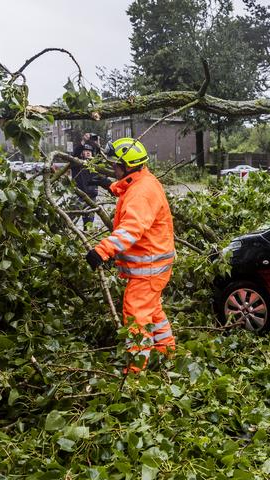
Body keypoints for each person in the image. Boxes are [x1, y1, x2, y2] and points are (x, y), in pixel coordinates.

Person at [84, 137, 177, 373]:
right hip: (155, 263)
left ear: (126, 166)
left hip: (148, 267)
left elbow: (131, 229)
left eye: (115, 165)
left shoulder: (141, 193)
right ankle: (167, 351)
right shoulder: (142, 181)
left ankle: (136, 371)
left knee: (136, 316)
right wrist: (110, 184)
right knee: (152, 310)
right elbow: (130, 189)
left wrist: (101, 251)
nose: (113, 167)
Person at [70, 142, 110, 227]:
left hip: (91, 198)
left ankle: (87, 236)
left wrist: (97, 145)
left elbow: (102, 160)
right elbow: (75, 154)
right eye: (85, 150)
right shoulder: (77, 164)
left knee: (89, 224)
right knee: (70, 220)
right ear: (81, 153)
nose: (88, 152)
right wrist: (82, 143)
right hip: (78, 197)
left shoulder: (96, 166)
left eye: (90, 151)